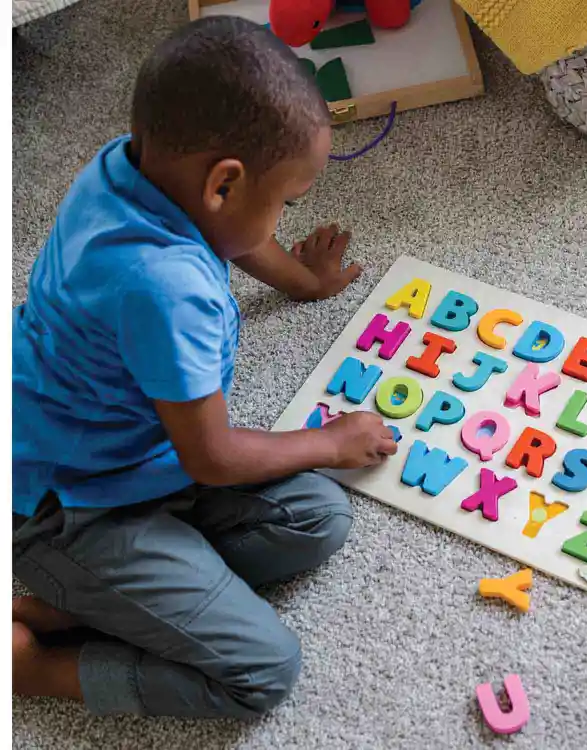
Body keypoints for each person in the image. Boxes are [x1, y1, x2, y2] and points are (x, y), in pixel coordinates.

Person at [12, 15, 397, 719]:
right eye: (284, 201)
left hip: (136, 456)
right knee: (262, 671)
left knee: (319, 519)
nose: (282, 215)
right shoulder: (162, 287)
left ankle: (91, 603)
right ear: (222, 184)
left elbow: (234, 233)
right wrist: (330, 440)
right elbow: (214, 457)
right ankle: (37, 666)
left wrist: (304, 282)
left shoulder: (131, 167)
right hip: (71, 509)